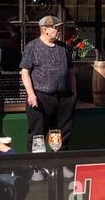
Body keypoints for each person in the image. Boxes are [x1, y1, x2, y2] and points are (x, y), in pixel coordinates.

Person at [20, 15, 77, 149]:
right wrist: (31, 95)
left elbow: (71, 71)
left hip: (63, 98)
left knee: (61, 136)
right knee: (37, 136)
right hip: (41, 98)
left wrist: (74, 93)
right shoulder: (32, 47)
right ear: (45, 29)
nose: (60, 30)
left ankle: (59, 165)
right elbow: (25, 73)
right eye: (56, 28)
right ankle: (35, 167)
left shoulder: (63, 48)